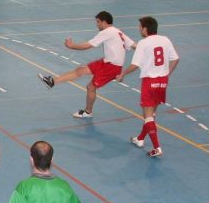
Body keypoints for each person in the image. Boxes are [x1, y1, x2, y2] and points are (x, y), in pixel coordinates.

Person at [38, 11, 135, 118]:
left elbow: (87, 45)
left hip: (112, 67)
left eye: (98, 22)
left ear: (104, 22)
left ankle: (88, 112)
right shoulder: (118, 32)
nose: (97, 24)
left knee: (90, 87)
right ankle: (52, 82)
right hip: (106, 62)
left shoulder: (107, 32)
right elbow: (134, 45)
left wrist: (71, 46)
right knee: (81, 70)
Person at [116, 16, 179, 158]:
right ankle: (140, 139)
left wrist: (123, 74)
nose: (139, 29)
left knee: (148, 116)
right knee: (151, 114)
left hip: (149, 82)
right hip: (162, 82)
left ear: (145, 29)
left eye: (140, 27)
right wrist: (167, 73)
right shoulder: (165, 39)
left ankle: (157, 148)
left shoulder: (143, 43)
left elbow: (135, 64)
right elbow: (175, 59)